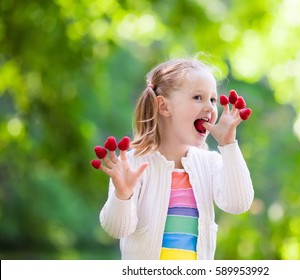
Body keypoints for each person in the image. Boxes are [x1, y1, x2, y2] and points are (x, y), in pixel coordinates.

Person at [92, 57, 254, 260]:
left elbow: (238, 204)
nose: (210, 107)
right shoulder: (132, 164)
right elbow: (117, 229)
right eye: (198, 97)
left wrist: (229, 145)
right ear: (164, 107)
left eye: (213, 99)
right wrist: (122, 195)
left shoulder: (210, 162)